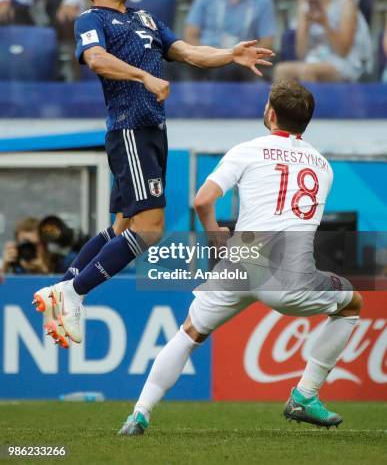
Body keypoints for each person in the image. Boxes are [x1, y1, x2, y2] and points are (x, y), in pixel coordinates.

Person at [32, 0, 273, 349]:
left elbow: (189, 53)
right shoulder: (91, 18)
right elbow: (96, 59)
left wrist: (229, 53)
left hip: (153, 132)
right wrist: (145, 78)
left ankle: (60, 287)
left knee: (123, 226)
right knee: (150, 230)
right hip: (130, 129)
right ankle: (74, 293)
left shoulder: (145, 18)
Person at [118, 80, 362, 435]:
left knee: (188, 333)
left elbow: (202, 200)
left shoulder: (247, 150)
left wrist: (216, 235)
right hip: (288, 273)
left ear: (271, 113)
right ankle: (305, 395)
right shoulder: (323, 167)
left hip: (242, 256)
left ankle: (139, 415)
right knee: (351, 303)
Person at [275, 0, 372, 82]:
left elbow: (343, 51)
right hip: (314, 59)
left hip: (344, 62)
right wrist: (306, 25)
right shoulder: (304, 8)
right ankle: (277, 102)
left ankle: (312, 103)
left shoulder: (346, 5)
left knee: (307, 71)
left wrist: (325, 23)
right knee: (281, 70)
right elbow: (301, 53)